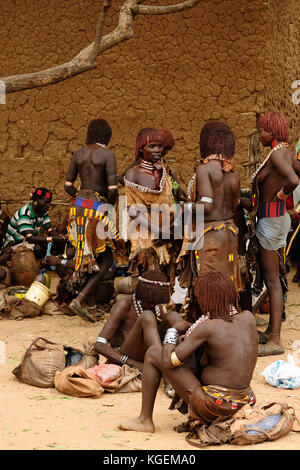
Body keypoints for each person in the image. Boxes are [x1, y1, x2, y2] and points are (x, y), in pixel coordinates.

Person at [118, 271, 258, 433]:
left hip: (216, 406)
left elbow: (170, 361)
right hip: (246, 401)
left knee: (154, 353)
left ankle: (145, 420)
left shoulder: (208, 327)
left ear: (206, 299)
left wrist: (172, 332)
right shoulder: (248, 318)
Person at [177, 121, 242, 320]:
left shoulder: (205, 170)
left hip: (211, 236)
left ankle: (215, 330)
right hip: (229, 234)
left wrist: (182, 208)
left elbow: (206, 206)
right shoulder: (234, 172)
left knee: (210, 287)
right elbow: (235, 205)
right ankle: (229, 324)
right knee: (226, 284)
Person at [248, 112, 299, 356]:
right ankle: (271, 329)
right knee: (274, 277)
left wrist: (283, 194)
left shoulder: (278, 154)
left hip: (270, 221)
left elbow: (293, 179)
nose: (260, 134)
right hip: (277, 219)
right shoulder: (286, 153)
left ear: (272, 133)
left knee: (272, 279)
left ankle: (276, 339)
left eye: (263, 130)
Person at [64, 118, 120, 319]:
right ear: (106, 136)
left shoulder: (78, 154)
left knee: (88, 257)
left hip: (78, 208)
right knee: (106, 259)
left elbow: (68, 186)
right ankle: (80, 299)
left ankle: (92, 305)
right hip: (97, 208)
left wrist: (81, 200)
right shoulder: (107, 154)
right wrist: (108, 207)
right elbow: (113, 190)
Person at [123, 127, 186, 283]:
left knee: (166, 282)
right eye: (153, 146)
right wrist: (158, 230)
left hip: (167, 234)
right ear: (141, 148)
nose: (159, 151)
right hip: (146, 236)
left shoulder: (164, 171)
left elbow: (171, 202)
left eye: (160, 146)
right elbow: (132, 209)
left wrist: (171, 230)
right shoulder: (133, 173)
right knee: (149, 282)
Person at [93, 270, 171, 371]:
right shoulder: (125, 305)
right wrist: (133, 363)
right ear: (141, 293)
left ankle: (169, 363)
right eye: (148, 301)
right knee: (147, 316)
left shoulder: (156, 305)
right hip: (126, 355)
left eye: (155, 302)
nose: (152, 305)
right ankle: (163, 367)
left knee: (172, 316)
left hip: (148, 354)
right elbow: (99, 344)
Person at [2, 187, 58, 258]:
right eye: (45, 202)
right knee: (38, 248)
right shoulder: (25, 213)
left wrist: (59, 237)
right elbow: (30, 238)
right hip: (13, 244)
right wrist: (51, 239)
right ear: (36, 200)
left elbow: (49, 229)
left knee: (52, 245)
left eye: (49, 202)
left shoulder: (43, 212)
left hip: (27, 242)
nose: (48, 205)